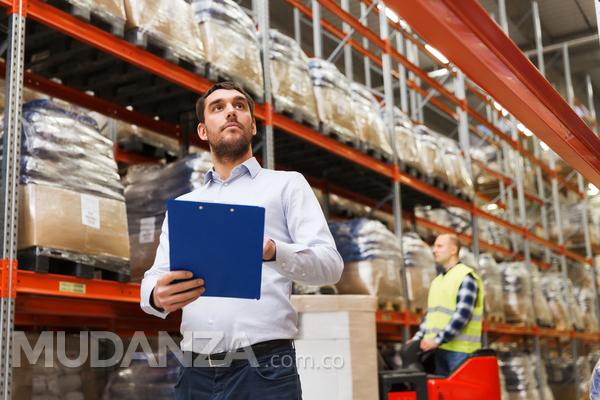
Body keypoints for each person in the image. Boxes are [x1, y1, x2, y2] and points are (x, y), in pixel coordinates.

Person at [140, 82, 344, 400]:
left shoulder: (286, 186)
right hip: (194, 374)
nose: (230, 111)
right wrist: (155, 296)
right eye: (217, 107)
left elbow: (330, 267)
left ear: (252, 124)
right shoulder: (185, 206)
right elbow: (153, 276)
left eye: (239, 105)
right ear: (203, 131)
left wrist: (275, 251)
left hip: (264, 370)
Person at [409, 234, 484, 377]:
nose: (434, 250)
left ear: (453, 249)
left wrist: (437, 340)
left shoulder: (465, 276)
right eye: (434, 246)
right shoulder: (438, 281)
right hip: (440, 349)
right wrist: (417, 338)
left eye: (439, 246)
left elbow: (462, 315)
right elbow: (431, 315)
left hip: (461, 352)